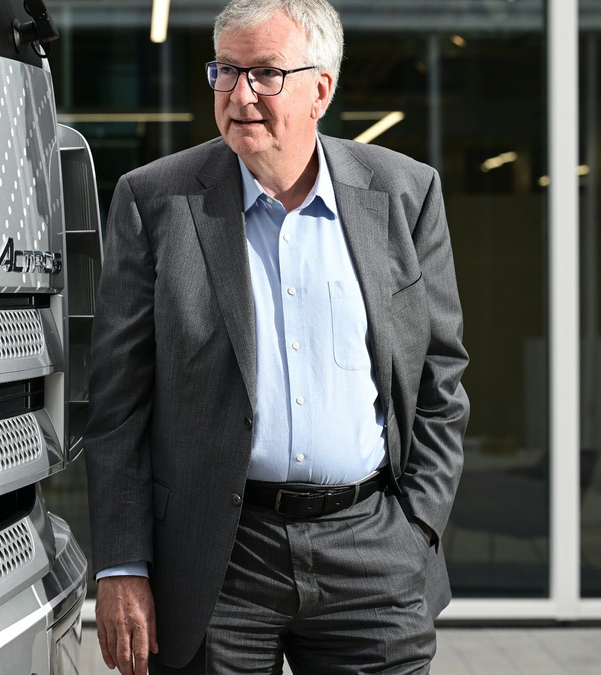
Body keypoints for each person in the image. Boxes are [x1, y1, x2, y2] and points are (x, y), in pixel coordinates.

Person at [83, 0, 470, 673]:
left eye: (264, 74)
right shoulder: (157, 202)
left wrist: (418, 527)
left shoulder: (406, 195)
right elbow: (116, 408)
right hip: (218, 556)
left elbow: (440, 378)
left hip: (372, 549)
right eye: (225, 72)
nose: (238, 95)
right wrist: (121, 563)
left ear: (321, 88)